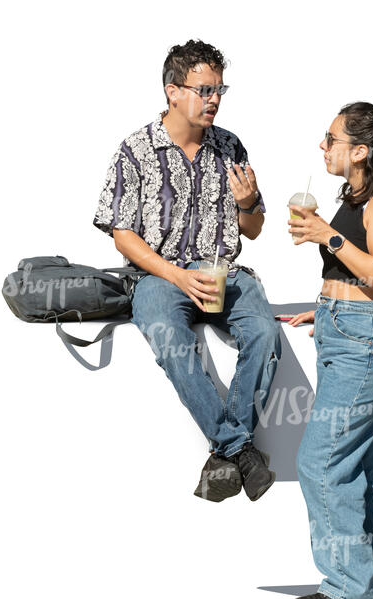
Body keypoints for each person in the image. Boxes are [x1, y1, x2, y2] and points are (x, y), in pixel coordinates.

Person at [93, 40, 281, 503]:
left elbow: (253, 229)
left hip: (224, 272)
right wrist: (176, 276)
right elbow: (122, 234)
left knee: (265, 335)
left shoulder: (230, 146)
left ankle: (224, 453)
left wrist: (248, 203)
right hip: (159, 275)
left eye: (220, 89)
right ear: (172, 91)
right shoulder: (136, 149)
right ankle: (238, 448)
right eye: (205, 89)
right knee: (170, 340)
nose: (215, 98)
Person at [285, 97, 373, 599]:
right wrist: (324, 311)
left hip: (367, 342)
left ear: (361, 150)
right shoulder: (359, 194)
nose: (323, 147)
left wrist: (328, 234)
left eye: (332, 139)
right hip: (348, 333)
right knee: (361, 464)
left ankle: (347, 589)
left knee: (320, 461)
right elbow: (356, 276)